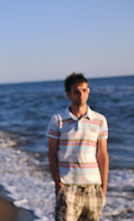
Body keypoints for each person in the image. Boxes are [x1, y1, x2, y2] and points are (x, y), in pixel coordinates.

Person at [47, 72, 109, 221]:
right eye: (76, 91)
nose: (81, 94)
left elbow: (102, 155)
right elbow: (51, 153)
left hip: (93, 186)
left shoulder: (99, 120)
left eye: (85, 90)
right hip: (68, 185)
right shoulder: (58, 120)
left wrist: (103, 188)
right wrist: (58, 183)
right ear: (68, 94)